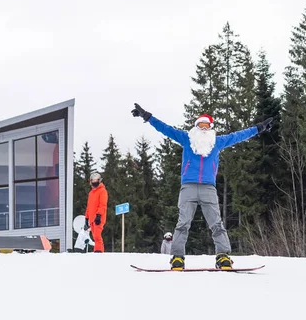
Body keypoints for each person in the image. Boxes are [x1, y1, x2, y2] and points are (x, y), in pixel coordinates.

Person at [131, 103, 273, 270]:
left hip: (208, 188)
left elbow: (238, 136)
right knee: (182, 223)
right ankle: (177, 258)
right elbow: (166, 129)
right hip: (188, 188)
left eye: (206, 125)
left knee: (216, 224)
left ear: (211, 128)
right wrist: (147, 117)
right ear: (195, 128)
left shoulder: (217, 142)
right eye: (200, 125)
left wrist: (258, 128)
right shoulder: (186, 139)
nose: (203, 128)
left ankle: (223, 256)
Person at [84, 172, 108, 253]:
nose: (94, 182)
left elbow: (103, 205)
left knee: (97, 236)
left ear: (99, 180)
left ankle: (99, 251)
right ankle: (97, 251)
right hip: (91, 218)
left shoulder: (102, 191)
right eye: (93, 180)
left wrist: (99, 215)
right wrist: (86, 218)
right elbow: (89, 207)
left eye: (96, 180)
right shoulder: (91, 193)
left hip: (98, 218)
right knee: (94, 236)